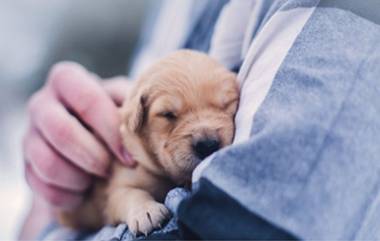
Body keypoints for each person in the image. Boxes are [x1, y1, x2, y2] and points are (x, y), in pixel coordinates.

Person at [20, 0, 380, 240]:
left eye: (225, 105)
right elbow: (112, 199)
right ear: (137, 120)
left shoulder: (339, 16)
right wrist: (49, 181)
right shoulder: (167, 11)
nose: (206, 134)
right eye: (169, 115)